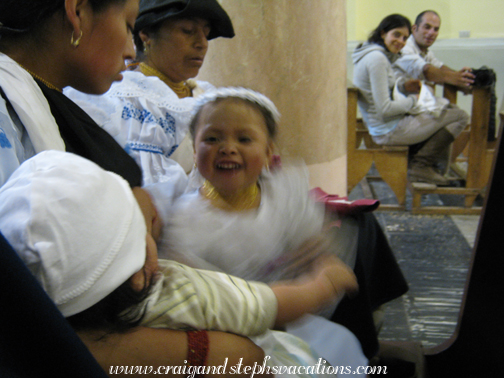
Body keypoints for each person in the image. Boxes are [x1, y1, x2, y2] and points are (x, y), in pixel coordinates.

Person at [0, 0, 272, 373]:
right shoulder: (14, 114)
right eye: (128, 27)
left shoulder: (52, 105)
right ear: (77, 13)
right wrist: (206, 352)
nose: (131, 50)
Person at [0, 150, 367, 377]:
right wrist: (324, 284)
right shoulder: (183, 291)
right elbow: (269, 305)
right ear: (142, 272)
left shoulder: (36, 332)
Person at [65, 0, 235, 186]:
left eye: (206, 32)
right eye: (187, 30)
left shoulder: (209, 97)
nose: (202, 43)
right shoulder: (118, 99)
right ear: (146, 35)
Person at [352, 14, 469, 186]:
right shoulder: (377, 59)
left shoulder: (374, 54)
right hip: (388, 131)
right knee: (459, 116)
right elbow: (385, 109)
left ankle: (424, 164)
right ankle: (421, 166)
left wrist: (403, 88)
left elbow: (382, 90)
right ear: (383, 33)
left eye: (405, 38)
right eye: (396, 35)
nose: (400, 41)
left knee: (446, 109)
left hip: (386, 125)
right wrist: (414, 102)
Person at [393, 10, 475, 89]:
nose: (431, 33)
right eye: (427, 27)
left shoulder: (426, 51)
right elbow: (425, 70)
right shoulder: (403, 46)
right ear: (414, 29)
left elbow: (440, 67)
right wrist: (454, 78)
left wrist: (462, 77)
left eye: (436, 29)